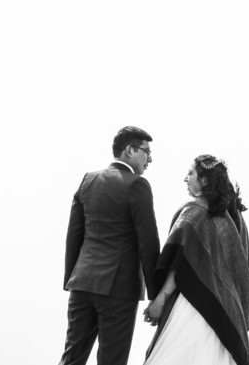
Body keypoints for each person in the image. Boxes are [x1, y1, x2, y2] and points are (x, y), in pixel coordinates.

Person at [58, 126, 162, 365]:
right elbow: (148, 243)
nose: (149, 159)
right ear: (130, 150)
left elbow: (74, 236)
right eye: (147, 152)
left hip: (81, 286)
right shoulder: (137, 185)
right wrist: (155, 295)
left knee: (71, 359)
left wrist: (72, 280)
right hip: (119, 290)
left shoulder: (88, 180)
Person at [142, 155, 249, 365]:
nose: (185, 178)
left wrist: (159, 301)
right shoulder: (234, 217)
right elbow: (241, 270)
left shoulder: (194, 212)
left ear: (204, 180)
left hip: (195, 305)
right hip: (226, 313)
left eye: (190, 173)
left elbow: (179, 264)